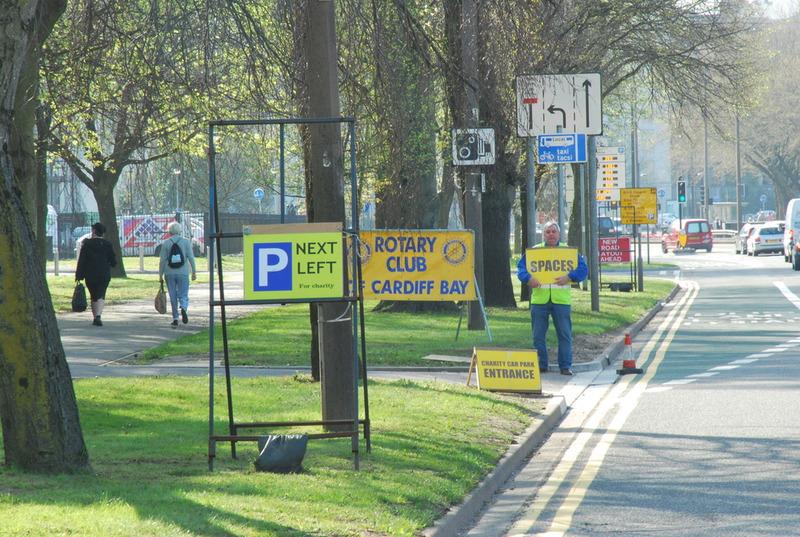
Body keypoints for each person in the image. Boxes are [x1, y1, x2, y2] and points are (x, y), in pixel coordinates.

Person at [516, 221, 588, 376]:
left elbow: (583, 269)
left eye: (553, 231)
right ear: (543, 234)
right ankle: (542, 365)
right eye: (548, 232)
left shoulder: (568, 251)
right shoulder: (535, 251)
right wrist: (528, 278)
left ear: (559, 234)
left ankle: (565, 366)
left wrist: (569, 277)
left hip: (561, 301)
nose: (551, 234)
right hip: (539, 300)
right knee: (538, 336)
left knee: (564, 335)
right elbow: (520, 268)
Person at [75, 222, 117, 327]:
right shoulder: (108, 244)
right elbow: (113, 261)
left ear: (94, 231)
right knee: (101, 294)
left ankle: (95, 317)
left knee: (93, 296)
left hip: (90, 274)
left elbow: (82, 261)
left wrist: (79, 275)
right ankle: (98, 316)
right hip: (104, 273)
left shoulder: (87, 244)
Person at [159, 221, 197, 328]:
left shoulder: (166, 243)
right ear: (179, 230)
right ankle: (184, 308)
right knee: (183, 293)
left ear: (169, 231)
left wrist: (160, 275)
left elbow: (162, 260)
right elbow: (191, 257)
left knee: (172, 295)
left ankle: (175, 318)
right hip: (183, 271)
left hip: (169, 272)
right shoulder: (185, 242)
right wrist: (194, 271)